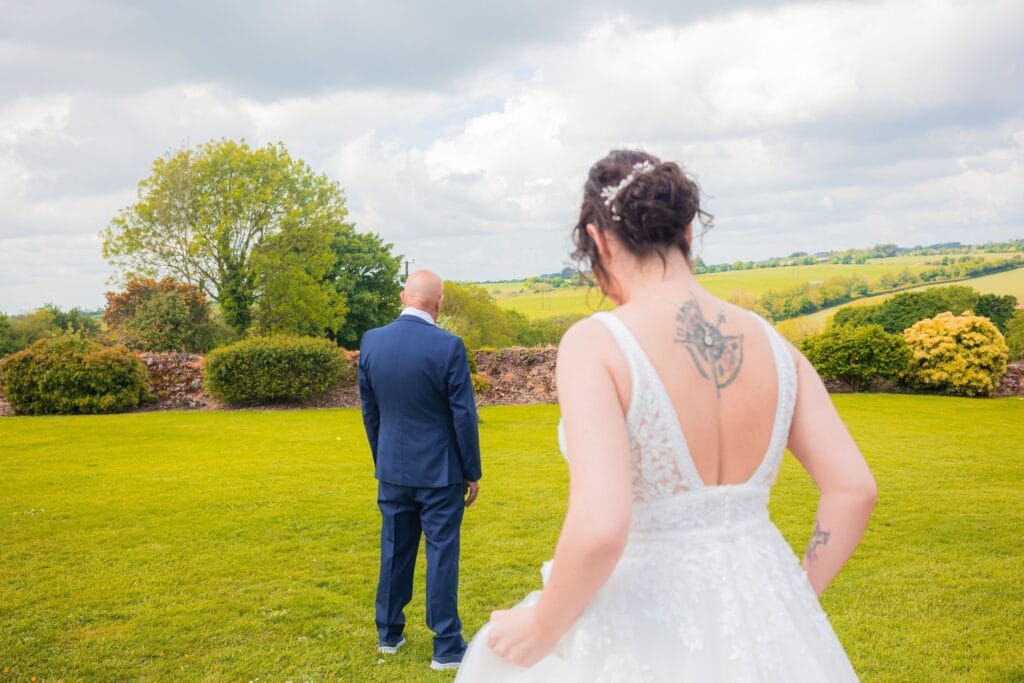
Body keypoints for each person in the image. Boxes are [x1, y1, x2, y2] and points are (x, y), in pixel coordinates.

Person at [457, 151, 877, 681]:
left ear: (599, 240)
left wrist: (543, 625)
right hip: (767, 605)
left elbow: (602, 525)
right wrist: (794, 594)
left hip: (643, 621)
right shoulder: (775, 345)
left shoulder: (598, 343)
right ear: (688, 232)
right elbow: (853, 488)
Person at [358, 269, 482, 672]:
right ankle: (446, 646)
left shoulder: (372, 341)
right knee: (442, 553)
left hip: (392, 468)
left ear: (402, 297)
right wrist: (471, 471)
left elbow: (370, 411)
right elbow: (463, 415)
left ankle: (388, 634)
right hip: (441, 472)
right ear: (440, 302)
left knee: (394, 550)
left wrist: (384, 458)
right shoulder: (448, 346)